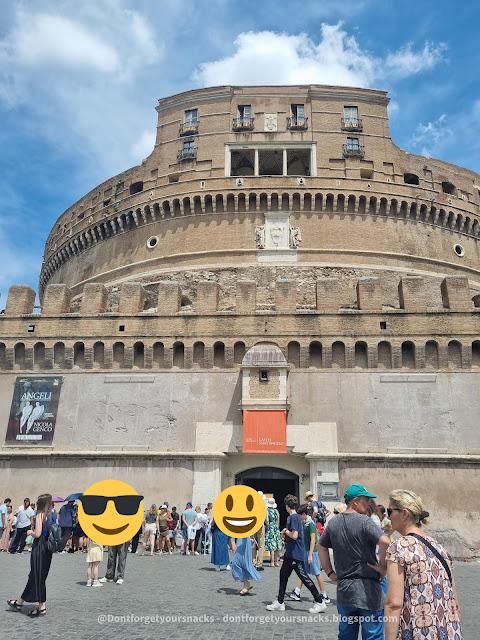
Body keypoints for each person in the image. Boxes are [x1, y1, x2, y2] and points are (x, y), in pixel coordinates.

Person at [384, 489, 463, 640]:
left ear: (404, 514)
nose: (388, 517)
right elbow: (455, 601)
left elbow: (393, 604)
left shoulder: (399, 548)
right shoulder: (439, 547)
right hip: (449, 632)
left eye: (390, 511)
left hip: (418, 632)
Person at [318, 484, 390, 640]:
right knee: (373, 636)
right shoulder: (365, 522)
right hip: (368, 590)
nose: (369, 503)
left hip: (345, 590)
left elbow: (321, 546)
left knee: (346, 635)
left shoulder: (334, 523)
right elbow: (385, 541)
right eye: (366, 500)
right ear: (355, 502)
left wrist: (330, 573)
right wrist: (383, 567)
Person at [267, 494, 326, 613]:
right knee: (283, 576)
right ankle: (280, 602)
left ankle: (319, 601)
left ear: (287, 506)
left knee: (304, 577)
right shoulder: (295, 517)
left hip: (295, 554)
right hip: (290, 554)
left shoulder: (293, 517)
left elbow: (294, 535)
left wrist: (285, 531)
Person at [8, 493, 56, 617]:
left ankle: (41, 607)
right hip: (48, 548)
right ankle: (20, 603)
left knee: (37, 576)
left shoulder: (40, 514)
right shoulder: (52, 515)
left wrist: (30, 532)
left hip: (39, 546)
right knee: (36, 575)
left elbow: (38, 534)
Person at [290, 504, 330, 604]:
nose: (298, 517)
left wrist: (310, 555)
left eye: (300, 515)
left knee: (317, 573)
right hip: (307, 551)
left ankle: (324, 595)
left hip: (312, 552)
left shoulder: (311, 524)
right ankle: (297, 591)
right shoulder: (306, 523)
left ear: (304, 514)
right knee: (303, 573)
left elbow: (313, 540)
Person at [265, 498, 282, 567]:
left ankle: (272, 562)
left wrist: (267, 528)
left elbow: (266, 521)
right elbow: (278, 521)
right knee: (277, 546)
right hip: (276, 529)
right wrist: (277, 527)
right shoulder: (276, 511)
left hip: (270, 528)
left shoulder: (267, 511)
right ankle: (277, 562)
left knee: (272, 546)